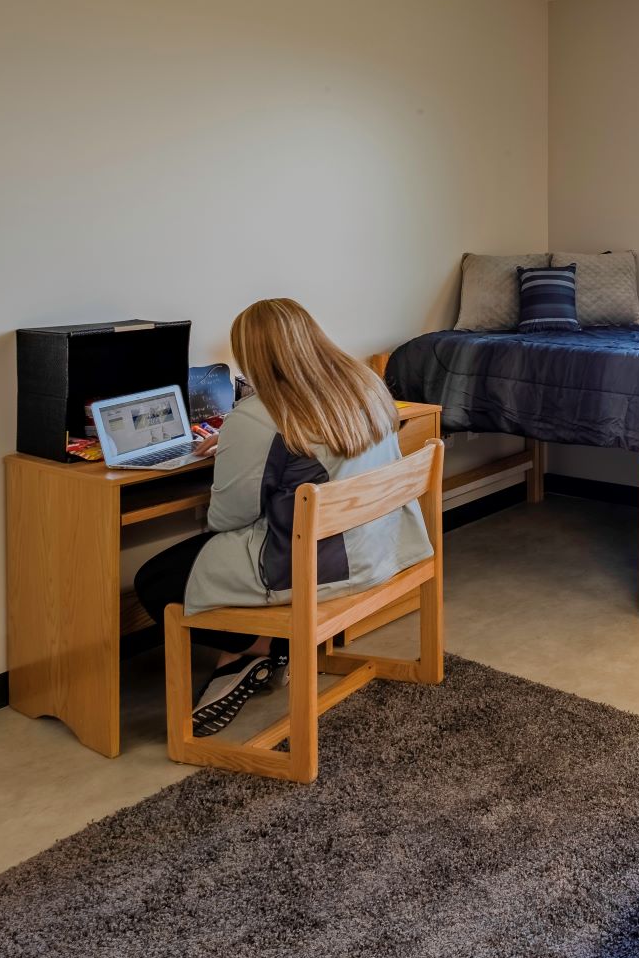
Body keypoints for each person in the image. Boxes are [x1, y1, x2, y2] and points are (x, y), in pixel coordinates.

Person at [134, 299, 432, 736]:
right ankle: (256, 650)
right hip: (385, 547)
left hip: (319, 569)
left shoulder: (257, 417)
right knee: (220, 552)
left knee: (154, 582)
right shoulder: (365, 385)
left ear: (251, 357)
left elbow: (226, 518)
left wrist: (237, 452)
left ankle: (248, 650)